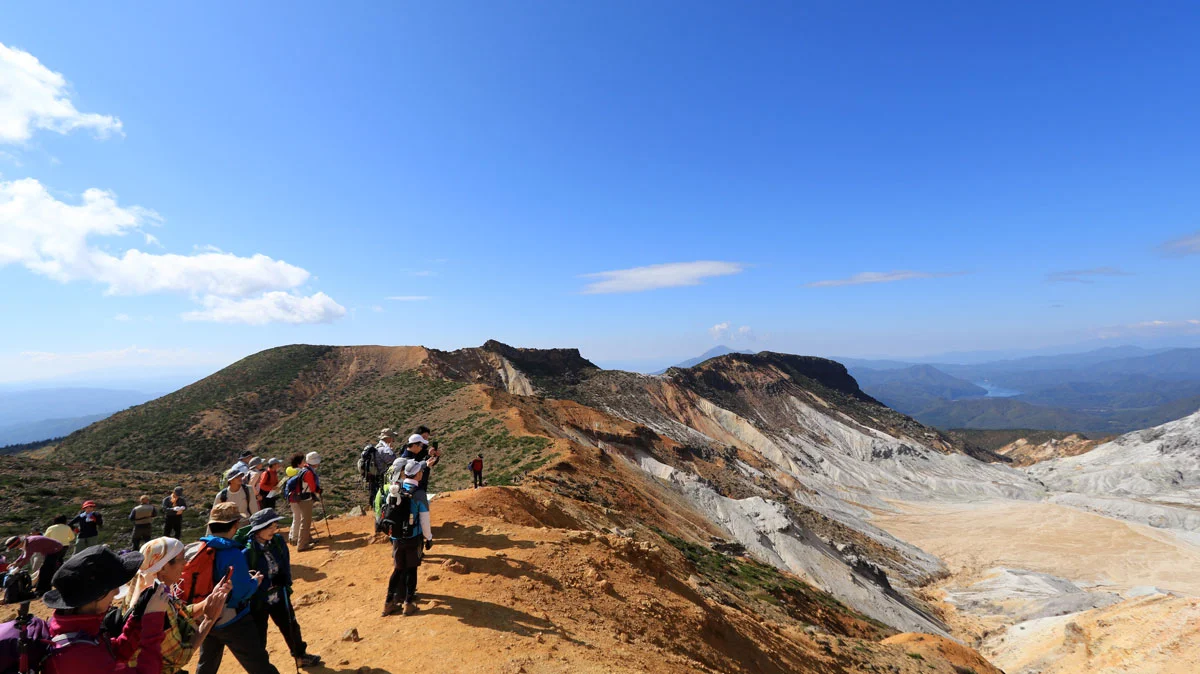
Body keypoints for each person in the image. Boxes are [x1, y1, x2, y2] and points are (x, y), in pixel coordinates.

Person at [41, 545, 171, 674]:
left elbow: (114, 653)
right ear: (96, 596)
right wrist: (153, 623)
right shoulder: (80, 655)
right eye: (112, 586)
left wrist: (137, 619)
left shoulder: (75, 629)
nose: (117, 591)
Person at [117, 537, 232, 674]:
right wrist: (209, 619)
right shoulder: (155, 605)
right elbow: (179, 657)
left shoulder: (145, 586)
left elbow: (179, 613)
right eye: (181, 559)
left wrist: (208, 601)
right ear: (164, 567)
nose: (185, 562)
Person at [194, 503, 279, 674]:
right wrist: (255, 581)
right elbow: (242, 591)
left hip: (205, 616)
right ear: (235, 525)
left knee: (207, 663)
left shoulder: (199, 549)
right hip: (232, 619)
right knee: (258, 663)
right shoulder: (232, 553)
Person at [243, 509, 322, 669]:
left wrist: (285, 580)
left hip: (279, 594)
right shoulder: (247, 553)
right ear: (258, 530)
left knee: (291, 626)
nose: (274, 530)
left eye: (275, 526)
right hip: (259, 600)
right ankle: (261, 668)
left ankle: (300, 656)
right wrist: (266, 584)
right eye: (269, 527)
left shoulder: (278, 542)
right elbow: (246, 580)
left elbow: (285, 562)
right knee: (259, 635)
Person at [382, 460, 433, 617]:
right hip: (413, 537)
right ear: (417, 474)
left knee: (397, 570)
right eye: (421, 472)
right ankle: (408, 604)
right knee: (412, 569)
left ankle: (388, 604)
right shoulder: (419, 494)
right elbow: (424, 519)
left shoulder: (395, 489)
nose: (422, 474)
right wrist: (428, 537)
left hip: (396, 537)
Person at [286, 453, 323, 551]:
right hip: (305, 499)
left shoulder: (304, 469)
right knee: (305, 522)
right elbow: (312, 487)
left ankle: (308, 539)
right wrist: (319, 491)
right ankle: (302, 545)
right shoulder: (309, 472)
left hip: (301, 498)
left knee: (305, 520)